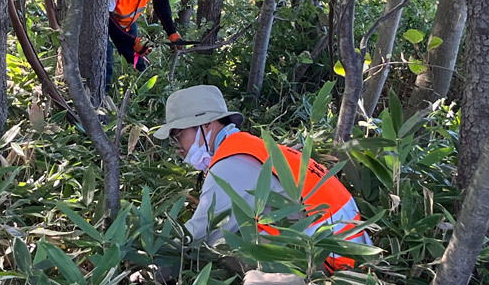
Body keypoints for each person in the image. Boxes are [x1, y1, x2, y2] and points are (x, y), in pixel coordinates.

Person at [154, 85, 372, 273]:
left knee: (222, 247)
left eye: (178, 135)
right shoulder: (247, 147)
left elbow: (199, 236)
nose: (178, 148)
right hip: (352, 252)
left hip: (330, 266)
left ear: (207, 125)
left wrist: (151, 263)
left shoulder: (231, 164)